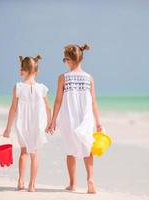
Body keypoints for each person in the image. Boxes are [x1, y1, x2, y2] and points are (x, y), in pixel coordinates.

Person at [47, 44, 102, 194]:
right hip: (86, 119)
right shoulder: (89, 78)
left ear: (69, 60)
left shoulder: (63, 78)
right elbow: (93, 102)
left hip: (69, 119)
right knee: (87, 149)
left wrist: (53, 121)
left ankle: (72, 184)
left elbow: (58, 101)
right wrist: (98, 122)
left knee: (70, 151)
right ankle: (90, 179)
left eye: (64, 59)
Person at [3, 54, 51, 192]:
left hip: (22, 124)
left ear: (21, 71)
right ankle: (32, 184)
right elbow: (48, 107)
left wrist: (8, 129)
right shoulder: (42, 88)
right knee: (34, 153)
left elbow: (13, 109)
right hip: (37, 124)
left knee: (23, 152)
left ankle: (20, 181)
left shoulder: (18, 87)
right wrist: (49, 123)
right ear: (37, 71)